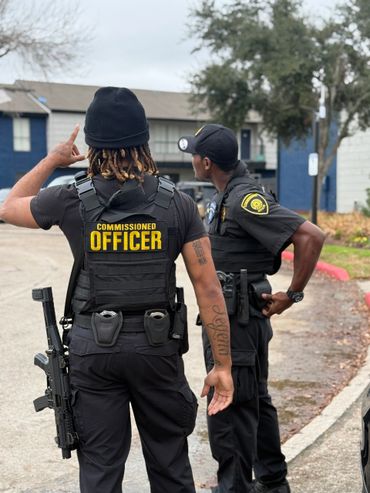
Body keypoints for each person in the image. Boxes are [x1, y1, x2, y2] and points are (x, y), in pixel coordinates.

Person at [0, 88, 234, 493]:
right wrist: (224, 366)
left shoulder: (70, 198)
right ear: (143, 141)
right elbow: (208, 287)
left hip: (95, 353)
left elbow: (8, 205)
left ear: (93, 144)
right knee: (171, 467)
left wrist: (54, 159)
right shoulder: (176, 203)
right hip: (157, 350)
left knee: (101, 472)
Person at [178, 124, 325, 493]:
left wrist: (292, 294)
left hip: (237, 316)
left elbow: (311, 236)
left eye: (195, 154)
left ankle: (235, 489)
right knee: (254, 400)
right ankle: (273, 483)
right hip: (237, 312)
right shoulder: (226, 194)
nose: (193, 159)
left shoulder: (244, 198)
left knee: (229, 406)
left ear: (206, 162)